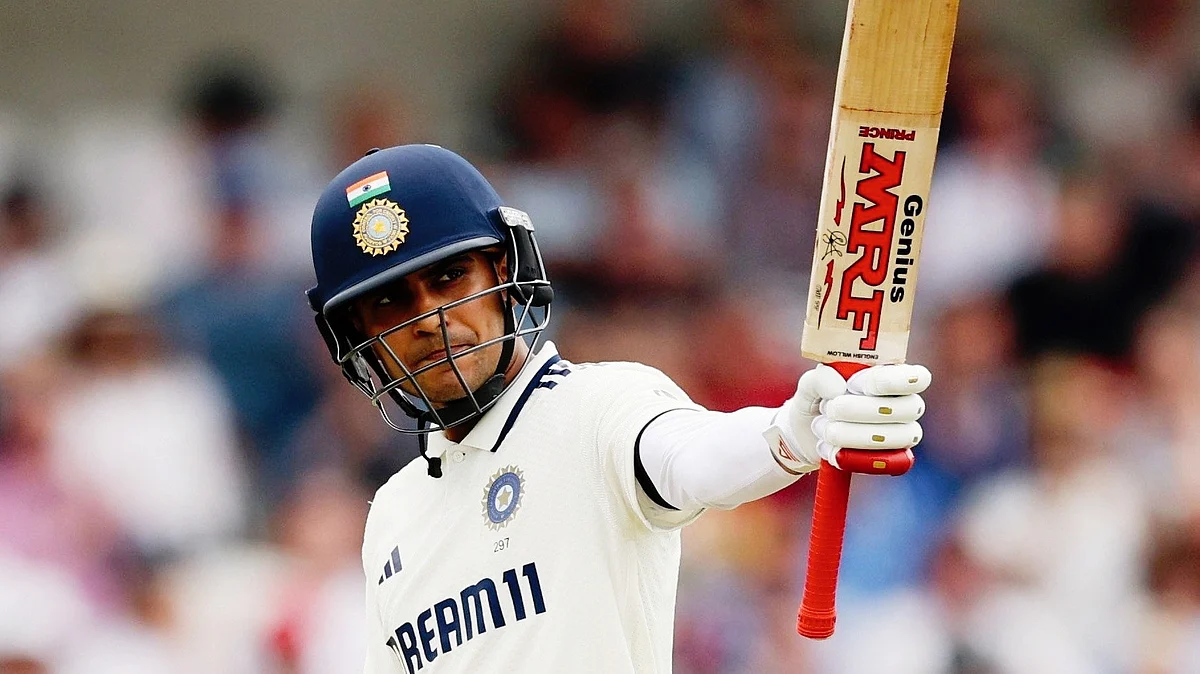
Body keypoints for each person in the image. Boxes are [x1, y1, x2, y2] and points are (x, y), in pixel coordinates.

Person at [306, 144, 931, 674]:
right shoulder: (391, 513)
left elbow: (694, 458)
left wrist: (790, 432)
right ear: (355, 336)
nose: (429, 320)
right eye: (390, 302)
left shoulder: (601, 407)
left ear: (504, 269)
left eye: (448, 279)